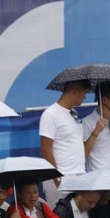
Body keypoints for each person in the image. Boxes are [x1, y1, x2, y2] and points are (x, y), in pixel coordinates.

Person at [40, 79, 93, 208]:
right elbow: (46, 149)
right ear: (75, 92)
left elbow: (78, 147)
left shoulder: (74, 114)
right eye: (84, 93)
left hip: (79, 175)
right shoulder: (50, 114)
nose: (85, 97)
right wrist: (57, 177)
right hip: (61, 176)